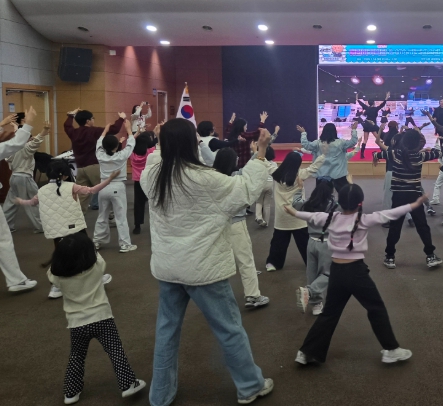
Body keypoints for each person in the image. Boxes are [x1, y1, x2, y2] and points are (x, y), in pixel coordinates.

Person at [140, 119, 276, 406]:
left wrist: (162, 139)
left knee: (166, 332)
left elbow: (155, 159)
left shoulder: (153, 176)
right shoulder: (206, 179)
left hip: (168, 267)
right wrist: (261, 152)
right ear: (193, 143)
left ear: (163, 144)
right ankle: (250, 385)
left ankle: (160, 395)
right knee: (229, 329)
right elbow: (245, 190)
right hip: (205, 269)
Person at [289, 184, 423, 365]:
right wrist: (414, 204)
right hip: (355, 272)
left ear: (340, 202)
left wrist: (292, 211)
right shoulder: (363, 219)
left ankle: (306, 353)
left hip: (336, 272)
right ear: (361, 203)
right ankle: (391, 350)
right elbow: (390, 214)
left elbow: (310, 216)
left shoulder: (331, 218)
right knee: (376, 308)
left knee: (329, 313)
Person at [48, 232, 146, 404]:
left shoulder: (57, 277)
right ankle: (128, 384)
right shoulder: (97, 267)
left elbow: (51, 271)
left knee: (76, 357)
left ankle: (71, 392)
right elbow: (97, 256)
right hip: (102, 318)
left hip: (77, 323)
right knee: (115, 351)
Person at [17, 159, 119, 299]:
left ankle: (56, 286)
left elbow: (31, 202)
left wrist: (19, 201)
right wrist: (110, 179)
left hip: (55, 231)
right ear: (65, 175)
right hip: (75, 227)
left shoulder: (41, 190)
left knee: (61, 256)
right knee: (87, 252)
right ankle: (96, 277)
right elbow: (92, 190)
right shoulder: (71, 186)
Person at [212, 147, 271, 309]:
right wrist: (260, 149)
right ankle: (253, 296)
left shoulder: (211, 178)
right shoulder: (237, 178)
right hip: (236, 223)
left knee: (217, 261)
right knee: (246, 260)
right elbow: (252, 168)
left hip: (215, 224)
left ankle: (216, 299)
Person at [379, 129, 443, 269]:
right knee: (422, 226)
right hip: (414, 197)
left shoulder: (395, 153)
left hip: (398, 196)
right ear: (417, 143)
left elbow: (379, 154)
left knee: (395, 227)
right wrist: (436, 144)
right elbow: (438, 153)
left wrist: (376, 155)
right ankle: (430, 255)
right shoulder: (420, 156)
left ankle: (390, 257)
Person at [0, 108, 39, 293]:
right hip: (22, 176)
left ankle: (17, 280)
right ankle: (16, 280)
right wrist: (28, 123)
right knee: (3, 239)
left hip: (17, 177)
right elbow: (15, 144)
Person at [266, 151, 324, 272]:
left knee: (278, 241)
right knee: (304, 242)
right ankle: (312, 263)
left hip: (282, 215)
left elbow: (265, 163)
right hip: (298, 214)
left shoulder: (276, 173)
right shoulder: (300, 174)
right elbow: (314, 167)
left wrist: (257, 151)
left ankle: (273, 263)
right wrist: (324, 154)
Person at [64, 108, 125, 211]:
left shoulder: (74, 133)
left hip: (80, 168)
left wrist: (71, 116)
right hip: (94, 166)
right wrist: (121, 119)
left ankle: (79, 218)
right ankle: (111, 213)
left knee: (82, 196)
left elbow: (67, 126)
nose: (93, 120)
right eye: (93, 118)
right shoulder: (94, 131)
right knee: (105, 189)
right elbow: (114, 129)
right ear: (88, 121)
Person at [293, 179, 337, 316]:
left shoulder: (308, 204)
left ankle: (316, 304)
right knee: (330, 273)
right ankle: (310, 291)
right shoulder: (334, 206)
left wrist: (299, 188)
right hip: (327, 243)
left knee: (311, 273)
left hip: (311, 242)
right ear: (331, 191)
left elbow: (295, 203)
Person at [92, 119, 137, 253]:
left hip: (103, 187)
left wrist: (105, 130)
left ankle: (97, 241)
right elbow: (131, 144)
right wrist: (129, 129)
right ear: (117, 146)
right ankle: (125, 244)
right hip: (117, 186)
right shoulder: (121, 155)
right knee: (120, 217)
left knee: (102, 216)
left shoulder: (100, 155)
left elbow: (99, 142)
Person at [2, 117, 49, 233]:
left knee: (10, 203)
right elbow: (36, 141)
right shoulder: (26, 147)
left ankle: (5, 226)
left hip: (14, 178)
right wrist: (44, 131)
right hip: (24, 178)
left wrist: (16, 127)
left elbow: (20, 137)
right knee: (33, 202)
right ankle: (40, 226)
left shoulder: (12, 149)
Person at [298, 120, 358, 192]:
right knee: (344, 193)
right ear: (335, 131)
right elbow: (353, 142)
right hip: (338, 174)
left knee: (321, 195)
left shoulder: (318, 143)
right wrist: (354, 130)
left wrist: (303, 133)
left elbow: (306, 145)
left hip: (322, 174)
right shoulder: (341, 143)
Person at [130, 130, 158, 235]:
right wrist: (156, 133)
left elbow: (130, 142)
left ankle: (137, 226)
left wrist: (136, 134)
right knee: (154, 201)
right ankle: (155, 224)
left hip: (138, 181)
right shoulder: (150, 152)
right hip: (149, 179)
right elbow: (157, 143)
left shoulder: (132, 153)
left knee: (138, 203)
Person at [356, 91, 390, 158]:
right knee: (378, 139)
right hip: (372, 124)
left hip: (366, 124)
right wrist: (386, 97)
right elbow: (382, 104)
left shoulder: (367, 108)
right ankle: (382, 151)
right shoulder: (375, 109)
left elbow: (361, 103)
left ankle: (362, 154)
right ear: (374, 103)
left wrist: (357, 98)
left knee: (365, 140)